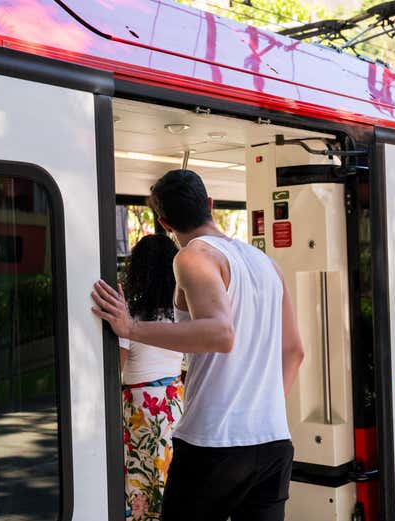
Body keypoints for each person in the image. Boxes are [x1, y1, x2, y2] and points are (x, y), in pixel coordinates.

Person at [92, 169, 305, 521]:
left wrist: (130, 326)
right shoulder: (267, 265)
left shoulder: (192, 257)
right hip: (273, 444)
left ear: (163, 223)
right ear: (210, 204)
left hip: (213, 444)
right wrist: (256, 410)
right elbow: (295, 352)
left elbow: (220, 333)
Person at [119, 234, 184, 521]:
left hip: (141, 412)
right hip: (173, 408)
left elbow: (115, 371)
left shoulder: (129, 319)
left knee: (139, 487)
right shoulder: (180, 318)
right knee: (170, 483)